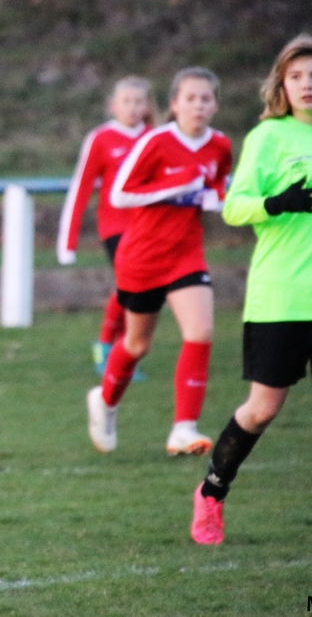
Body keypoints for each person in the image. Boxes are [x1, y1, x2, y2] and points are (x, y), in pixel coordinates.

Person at [190, 34, 312, 546]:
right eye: (296, 76)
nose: (307, 84)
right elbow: (234, 208)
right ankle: (212, 492)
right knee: (262, 409)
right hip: (280, 297)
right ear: (282, 84)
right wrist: (277, 204)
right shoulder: (268, 138)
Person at [85, 67, 232, 455]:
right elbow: (120, 194)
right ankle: (105, 401)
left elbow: (217, 185)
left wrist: (217, 198)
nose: (198, 106)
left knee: (200, 332)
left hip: (186, 254)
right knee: (137, 343)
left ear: (215, 105)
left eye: (206, 99)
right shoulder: (155, 142)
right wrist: (176, 187)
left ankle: (184, 428)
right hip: (143, 256)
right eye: (190, 98)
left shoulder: (220, 145)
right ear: (174, 104)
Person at [57, 76, 155, 376]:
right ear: (113, 106)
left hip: (149, 228)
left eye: (139, 101)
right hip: (116, 227)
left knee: (142, 291)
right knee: (130, 286)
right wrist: (68, 242)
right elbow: (81, 188)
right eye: (126, 101)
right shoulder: (101, 138)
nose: (133, 107)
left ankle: (123, 348)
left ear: (147, 106)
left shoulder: (155, 137)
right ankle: (108, 346)